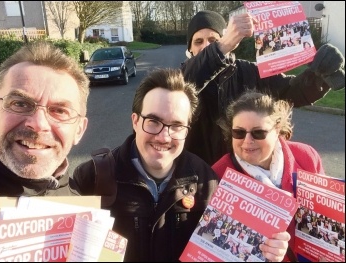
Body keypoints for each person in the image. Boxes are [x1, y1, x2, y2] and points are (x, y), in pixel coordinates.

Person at [72, 68, 290, 262]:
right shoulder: (91, 178)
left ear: (187, 130)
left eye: (176, 125)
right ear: (135, 122)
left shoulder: (208, 181)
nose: (164, 137)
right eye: (154, 122)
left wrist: (264, 252)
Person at [181, 10, 345, 166]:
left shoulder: (249, 71)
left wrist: (319, 75)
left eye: (213, 40)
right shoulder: (181, 78)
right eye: (198, 41)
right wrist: (221, 46)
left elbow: (291, 91)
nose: (206, 46)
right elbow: (188, 82)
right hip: (198, 177)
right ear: (190, 49)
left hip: (244, 174)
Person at [211, 90, 325, 261]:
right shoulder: (218, 175)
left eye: (258, 133)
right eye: (239, 132)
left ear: (277, 129)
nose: (248, 140)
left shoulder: (306, 156)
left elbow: (325, 214)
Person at [0, 41, 90, 197]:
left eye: (59, 111)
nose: (38, 124)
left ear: (79, 130)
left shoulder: (79, 207)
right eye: (20, 104)